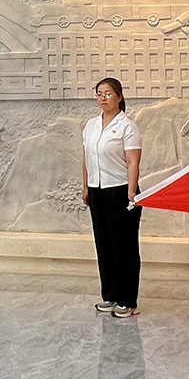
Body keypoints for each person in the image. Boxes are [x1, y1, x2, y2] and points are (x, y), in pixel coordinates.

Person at [82, 77, 143, 319]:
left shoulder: (127, 126)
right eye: (99, 94)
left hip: (120, 191)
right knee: (104, 245)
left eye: (108, 93)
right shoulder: (91, 125)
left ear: (119, 96)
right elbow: (86, 158)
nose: (103, 98)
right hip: (97, 190)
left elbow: (133, 162)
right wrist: (86, 187)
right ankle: (110, 295)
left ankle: (128, 300)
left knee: (124, 247)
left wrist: (131, 192)